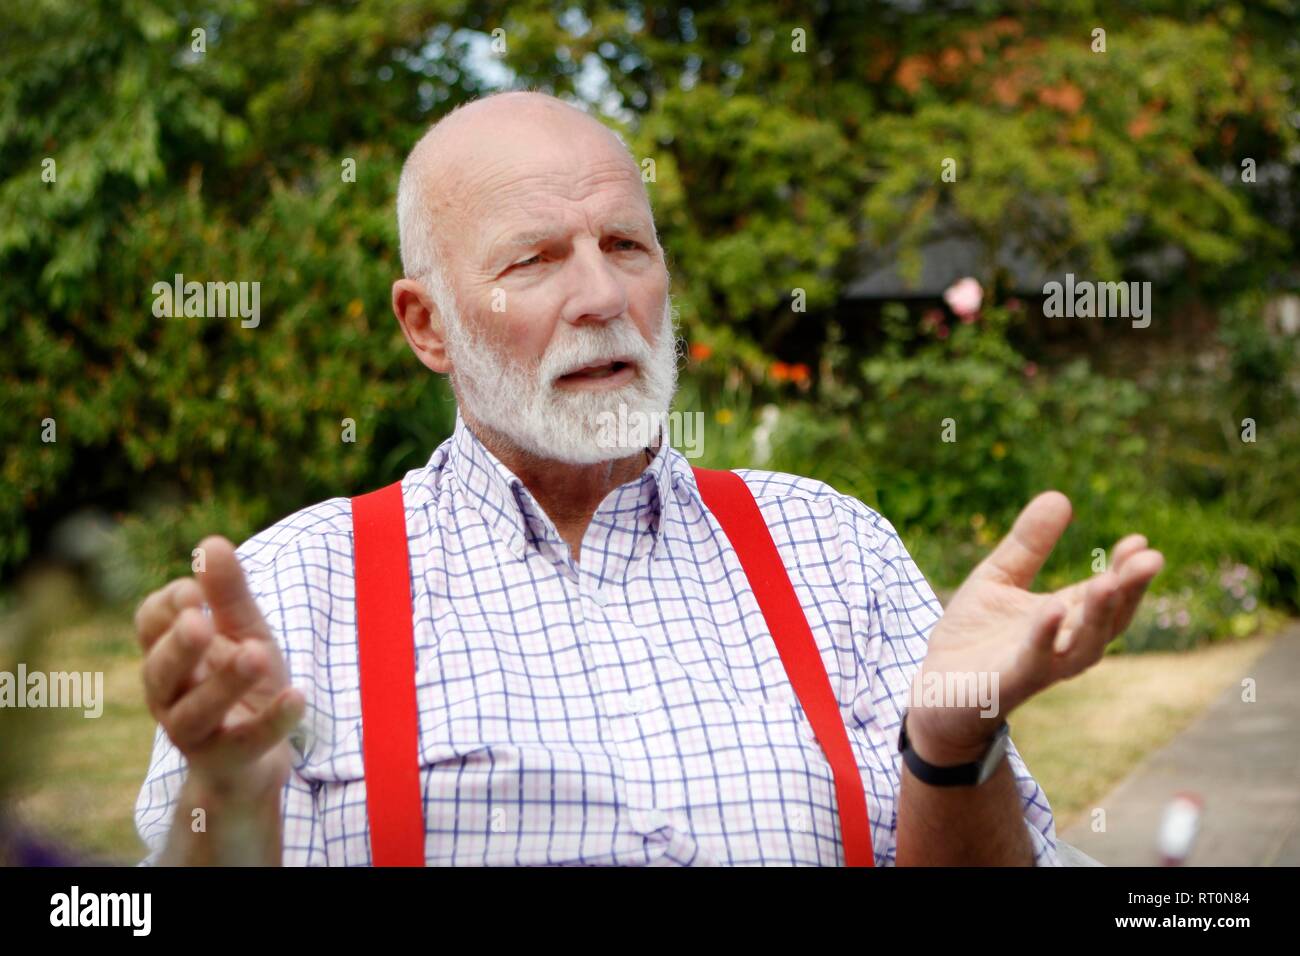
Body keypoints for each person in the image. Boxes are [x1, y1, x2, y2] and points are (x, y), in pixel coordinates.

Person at [133, 91, 1163, 866]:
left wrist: (953, 738)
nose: (601, 295)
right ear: (426, 323)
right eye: (533, 259)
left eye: (626, 244)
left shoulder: (834, 550)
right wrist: (224, 794)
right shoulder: (296, 591)